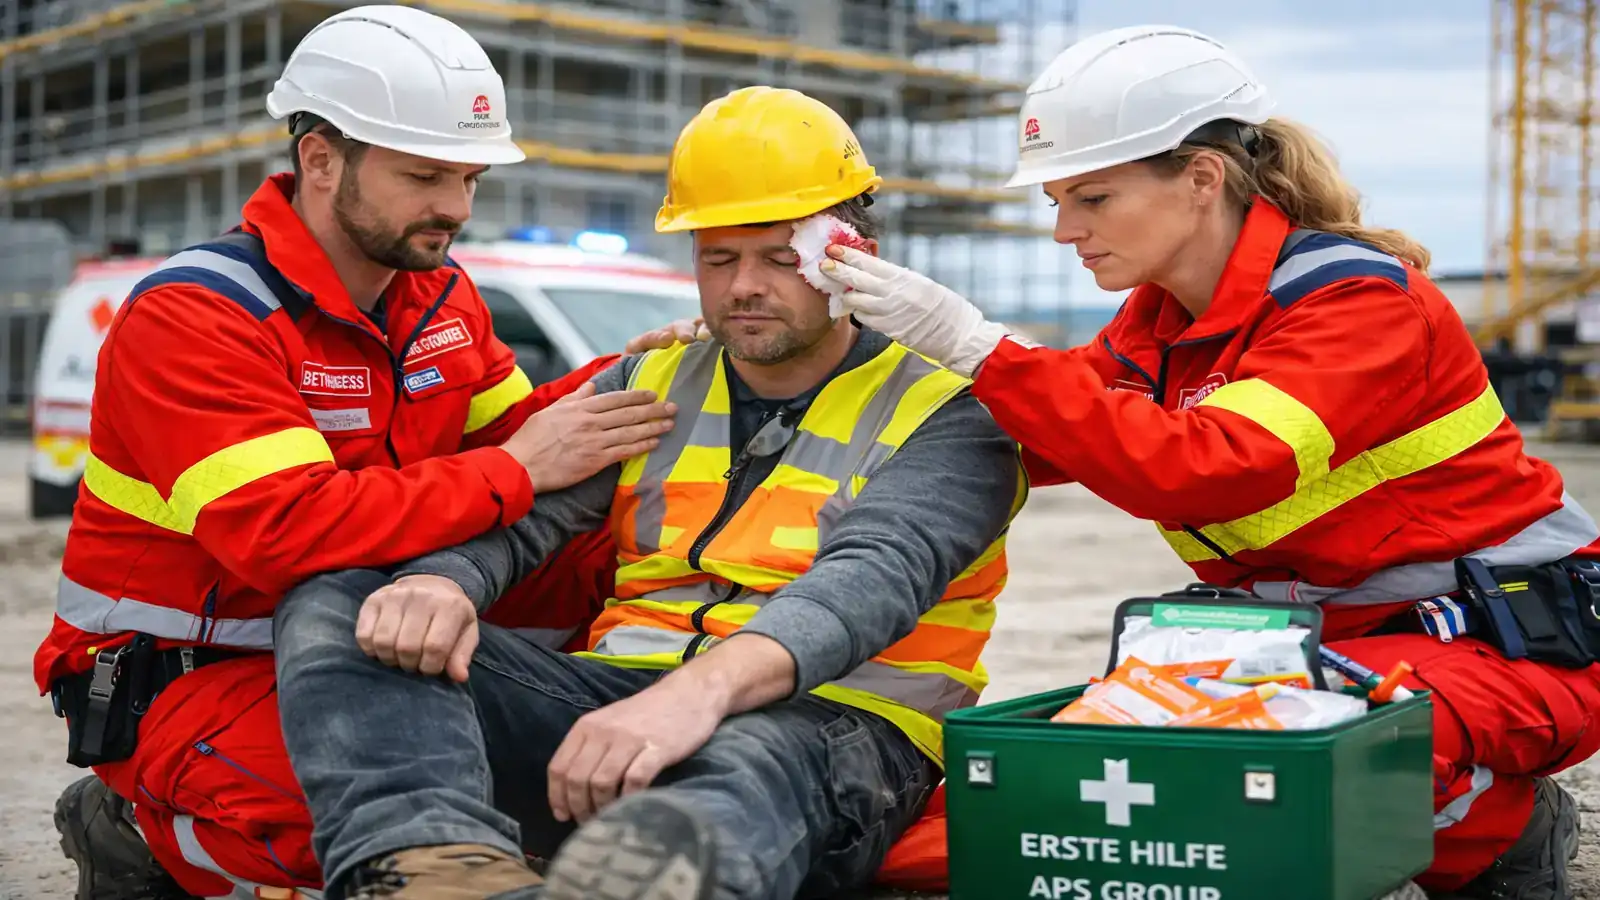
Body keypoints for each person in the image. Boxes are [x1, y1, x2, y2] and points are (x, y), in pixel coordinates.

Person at [817, 23, 1600, 900]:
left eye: (1093, 198)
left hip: (1509, 645)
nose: (1064, 230)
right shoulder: (1159, 322)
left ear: (1201, 178)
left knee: (1262, 774)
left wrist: (980, 345)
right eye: (1056, 203)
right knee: (1054, 797)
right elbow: (1042, 434)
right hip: (1302, 648)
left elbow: (1210, 467)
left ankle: (1502, 833)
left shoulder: (1358, 303)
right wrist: (784, 366)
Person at [266, 84, 1028, 900]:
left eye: (779, 258)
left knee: (743, 773)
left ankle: (642, 874)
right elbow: (529, 516)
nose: (744, 287)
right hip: (622, 698)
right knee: (349, 603)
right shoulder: (652, 377)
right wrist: (443, 581)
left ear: (850, 254)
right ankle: (434, 868)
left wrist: (692, 699)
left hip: (837, 721)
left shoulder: (954, 406)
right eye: (718, 257)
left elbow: (871, 580)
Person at [36, 6, 696, 899]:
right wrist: (518, 467)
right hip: (198, 675)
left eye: (470, 177)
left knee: (592, 552)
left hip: (377, 646)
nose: (456, 208)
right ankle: (140, 834)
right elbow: (283, 532)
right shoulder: (196, 317)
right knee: (362, 825)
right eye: (425, 175)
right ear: (320, 160)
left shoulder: (440, 294)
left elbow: (508, 443)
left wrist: (619, 381)